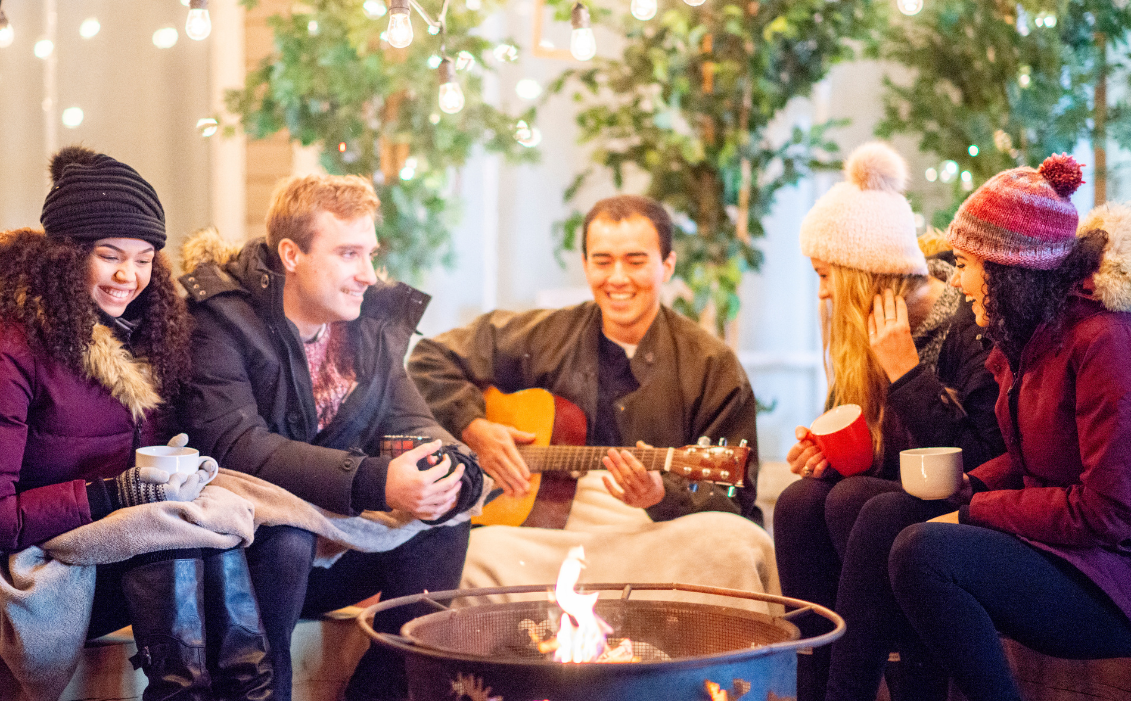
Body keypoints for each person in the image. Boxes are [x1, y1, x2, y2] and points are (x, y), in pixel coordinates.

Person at [0, 147, 276, 701]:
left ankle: (246, 691)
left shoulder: (145, 336)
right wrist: (114, 494)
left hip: (99, 551)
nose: (128, 276)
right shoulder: (5, 343)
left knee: (212, 531)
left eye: (144, 258)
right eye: (110, 256)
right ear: (64, 254)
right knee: (171, 540)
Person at [177, 174, 484, 701]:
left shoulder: (368, 327)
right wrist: (376, 482)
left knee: (444, 522)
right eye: (348, 254)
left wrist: (455, 474)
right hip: (245, 558)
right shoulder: (221, 319)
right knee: (286, 536)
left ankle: (382, 692)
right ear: (292, 254)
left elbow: (415, 423)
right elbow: (236, 445)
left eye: (369, 253)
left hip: (331, 556)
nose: (368, 274)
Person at [407, 194, 777, 607]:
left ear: (667, 265)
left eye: (635, 261)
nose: (617, 278)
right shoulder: (546, 334)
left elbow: (734, 493)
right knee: (466, 557)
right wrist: (476, 429)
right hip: (550, 537)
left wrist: (662, 495)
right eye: (602, 262)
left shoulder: (712, 364)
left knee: (736, 546)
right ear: (585, 265)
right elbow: (430, 358)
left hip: (657, 535)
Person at [887, 156, 1131, 701]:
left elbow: (1106, 513)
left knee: (923, 551)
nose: (958, 277)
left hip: (1113, 580)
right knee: (892, 513)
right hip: (1071, 552)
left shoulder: (1102, 342)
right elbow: (1037, 460)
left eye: (970, 263)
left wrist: (978, 508)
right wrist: (975, 483)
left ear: (1011, 271)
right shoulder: (1033, 335)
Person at [772, 142, 1005, 701]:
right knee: (800, 501)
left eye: (828, 276)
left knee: (860, 503)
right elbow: (870, 450)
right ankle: (816, 684)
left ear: (863, 275)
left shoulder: (964, 324)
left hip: (974, 498)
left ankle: (872, 688)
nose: (823, 291)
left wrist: (905, 372)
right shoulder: (860, 337)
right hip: (894, 493)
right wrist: (826, 452)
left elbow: (980, 458)